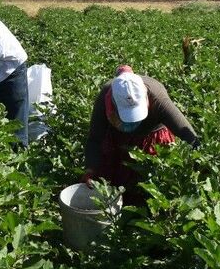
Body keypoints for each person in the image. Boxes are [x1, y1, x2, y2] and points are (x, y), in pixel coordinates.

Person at [83, 66, 201, 205]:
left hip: (151, 138)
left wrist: (200, 169)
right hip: (119, 138)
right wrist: (90, 168)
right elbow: (95, 138)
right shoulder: (105, 95)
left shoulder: (157, 97)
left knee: (150, 184)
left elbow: (189, 136)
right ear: (113, 103)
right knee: (117, 180)